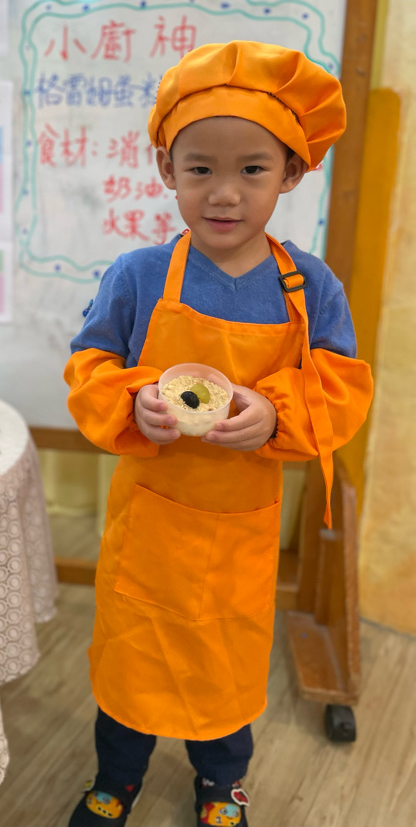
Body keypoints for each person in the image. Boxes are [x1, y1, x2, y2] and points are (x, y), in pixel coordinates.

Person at [63, 40, 374, 827]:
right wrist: (133, 401)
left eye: (252, 170)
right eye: (200, 168)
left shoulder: (309, 287)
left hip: (240, 526)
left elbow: (340, 385)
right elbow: (90, 366)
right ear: (166, 169)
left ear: (292, 174)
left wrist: (275, 412)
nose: (224, 193)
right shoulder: (139, 275)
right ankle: (117, 779)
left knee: (224, 665)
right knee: (133, 662)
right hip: (149, 521)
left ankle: (221, 783)